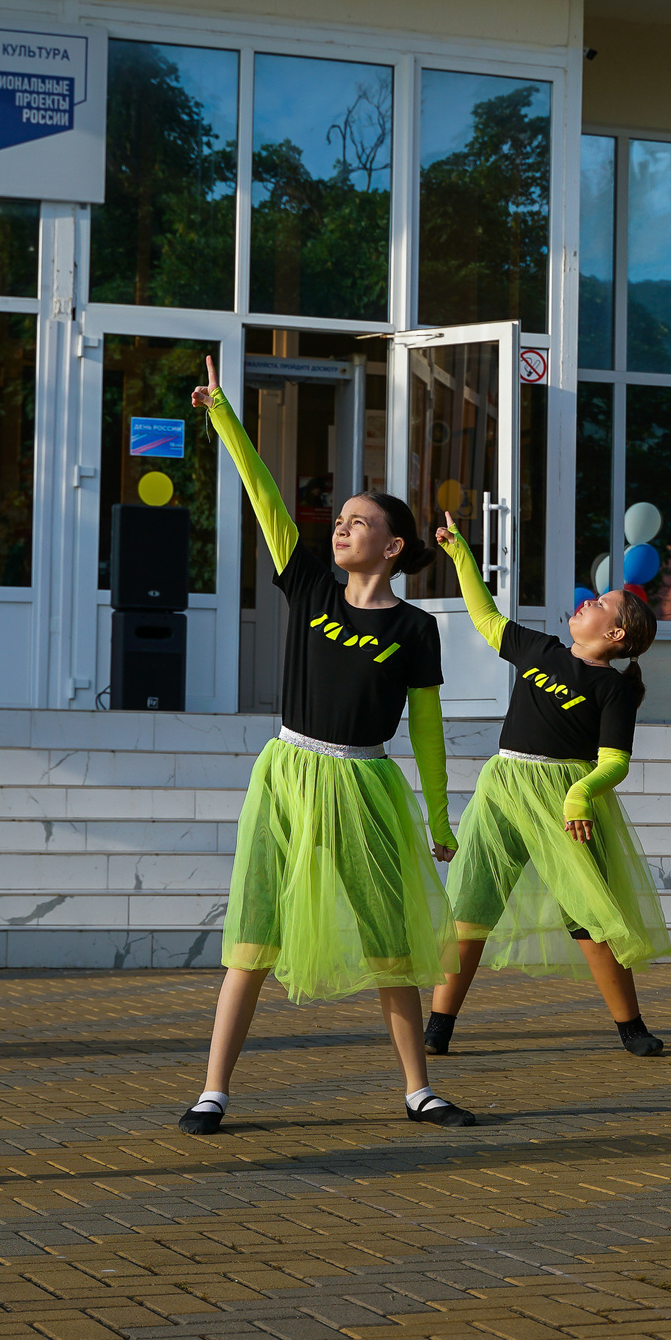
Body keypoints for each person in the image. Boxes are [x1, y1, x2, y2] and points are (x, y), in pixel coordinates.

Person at [184, 369, 468, 1133]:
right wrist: (224, 417)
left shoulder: (415, 629)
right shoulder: (307, 585)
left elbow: (430, 732)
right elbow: (265, 499)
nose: (341, 527)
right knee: (253, 935)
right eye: (339, 519)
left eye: (359, 521)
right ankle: (213, 1090)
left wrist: (440, 818)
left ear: (394, 544)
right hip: (288, 774)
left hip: (366, 781)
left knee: (392, 943)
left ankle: (418, 1088)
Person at [423, 520, 669, 1058]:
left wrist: (580, 794)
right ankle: (438, 1027)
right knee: (469, 905)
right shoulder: (541, 649)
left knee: (590, 916)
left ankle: (631, 1028)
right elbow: (486, 619)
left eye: (600, 604)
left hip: (564, 800)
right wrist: (464, 556)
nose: (585, 603)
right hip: (504, 788)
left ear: (616, 635)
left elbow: (615, 763)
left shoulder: (613, 689)